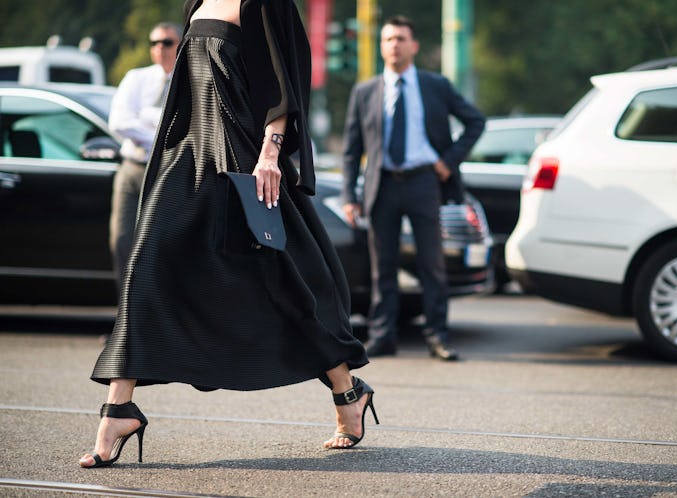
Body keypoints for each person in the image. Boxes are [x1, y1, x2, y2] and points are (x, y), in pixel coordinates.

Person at [79, 0, 378, 468]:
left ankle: (347, 390)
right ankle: (119, 409)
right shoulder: (196, 3)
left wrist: (270, 154)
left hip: (245, 158)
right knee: (146, 266)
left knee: (285, 278)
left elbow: (283, 84)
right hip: (191, 156)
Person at [341, 15, 485, 361]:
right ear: (381, 47)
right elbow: (351, 149)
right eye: (388, 39)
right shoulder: (365, 91)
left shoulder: (436, 86)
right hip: (383, 185)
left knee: (431, 264)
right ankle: (383, 337)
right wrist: (350, 197)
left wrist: (447, 161)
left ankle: (438, 337)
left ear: (414, 45)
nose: (394, 45)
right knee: (383, 266)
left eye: (401, 38)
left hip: (424, 181)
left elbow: (475, 122)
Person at [108, 22, 182, 290]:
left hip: (167, 171)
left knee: (162, 247)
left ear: (181, 45)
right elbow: (119, 122)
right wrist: (162, 135)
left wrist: (145, 119)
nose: (159, 48)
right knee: (122, 241)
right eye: (154, 43)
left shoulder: (189, 83)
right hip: (132, 169)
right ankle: (125, 325)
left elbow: (189, 129)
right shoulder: (136, 78)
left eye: (167, 42)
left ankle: (154, 326)